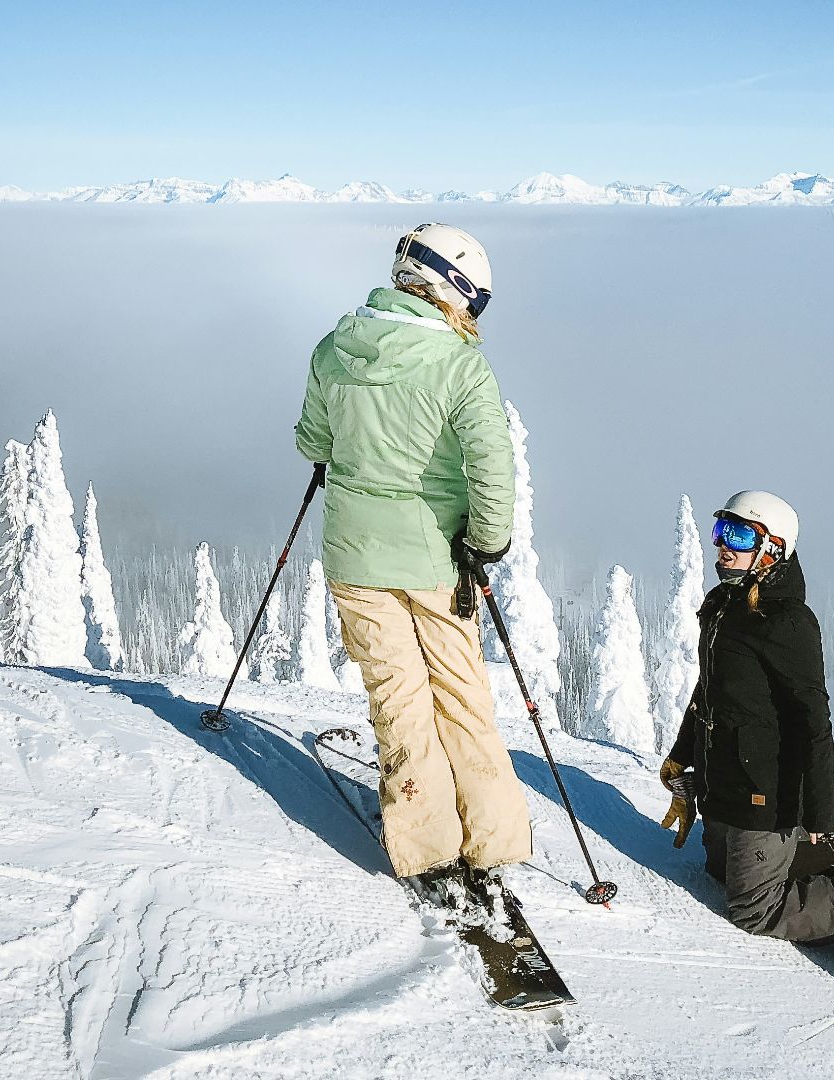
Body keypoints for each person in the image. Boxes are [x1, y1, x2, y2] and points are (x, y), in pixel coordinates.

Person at [293, 223, 530, 906]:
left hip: (356, 558)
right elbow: (492, 463)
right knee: (460, 695)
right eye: (475, 300)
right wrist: (485, 544)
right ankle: (491, 839)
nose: (474, 315)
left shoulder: (333, 346)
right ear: (449, 288)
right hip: (436, 560)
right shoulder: (459, 365)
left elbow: (312, 438)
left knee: (397, 698)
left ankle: (425, 847)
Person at [661, 490, 834, 944]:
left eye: (740, 535)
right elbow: (709, 693)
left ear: (772, 549)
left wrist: (818, 816)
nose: (723, 545)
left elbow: (813, 724)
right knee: (718, 871)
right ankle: (832, 849)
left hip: (766, 795)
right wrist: (681, 757)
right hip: (723, 784)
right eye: (721, 529)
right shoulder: (723, 605)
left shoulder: (788, 622)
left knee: (753, 911)